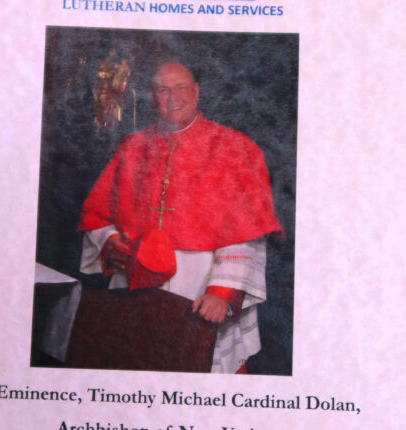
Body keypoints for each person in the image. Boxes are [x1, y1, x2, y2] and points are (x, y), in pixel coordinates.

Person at [77, 62, 282, 374]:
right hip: (133, 284)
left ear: (196, 92)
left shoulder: (235, 148)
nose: (172, 98)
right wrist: (112, 242)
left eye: (180, 88)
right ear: (152, 96)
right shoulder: (132, 147)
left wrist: (221, 292)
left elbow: (246, 232)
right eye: (163, 90)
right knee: (134, 367)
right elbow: (96, 215)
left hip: (200, 284)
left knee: (201, 370)